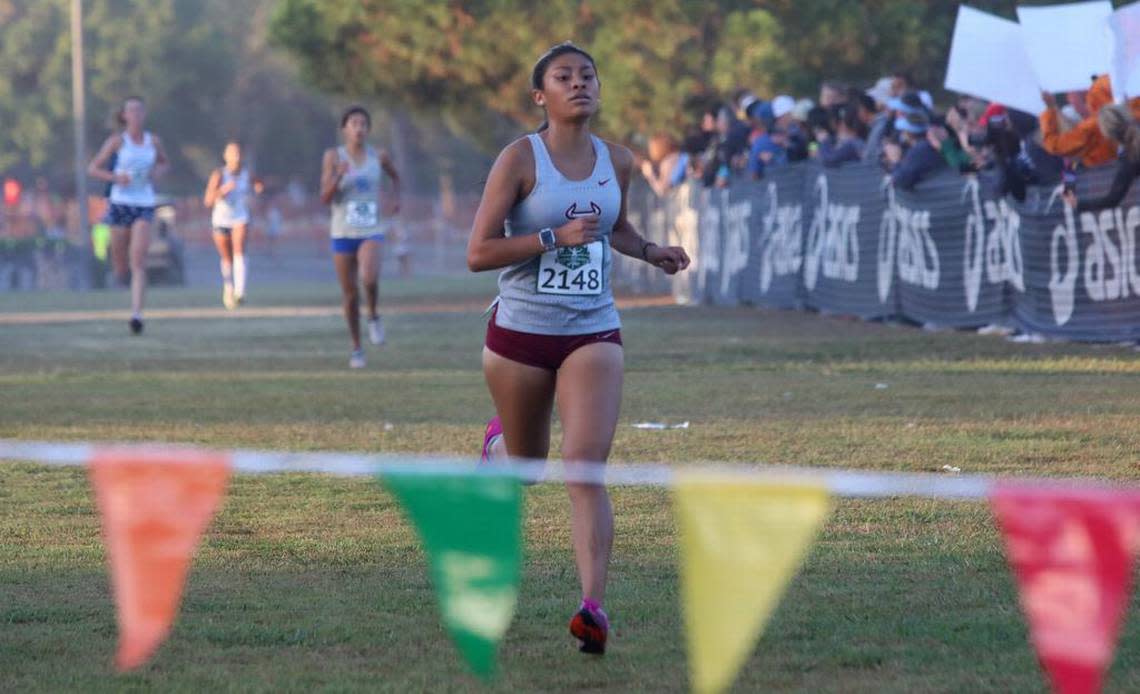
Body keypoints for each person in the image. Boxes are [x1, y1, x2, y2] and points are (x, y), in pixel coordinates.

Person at [466, 42, 689, 656]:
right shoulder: (519, 159)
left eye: (587, 75)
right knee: (531, 462)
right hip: (519, 335)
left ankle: (592, 607)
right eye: (563, 77)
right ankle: (501, 446)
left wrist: (650, 251)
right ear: (541, 96)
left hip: (593, 328)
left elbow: (613, 227)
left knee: (585, 466)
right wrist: (550, 237)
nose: (579, 84)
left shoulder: (615, 160)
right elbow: (478, 253)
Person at [319, 105, 401, 368]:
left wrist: (395, 198)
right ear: (344, 129)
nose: (359, 128)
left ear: (368, 130)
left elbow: (395, 177)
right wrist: (337, 176)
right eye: (353, 123)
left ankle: (374, 315)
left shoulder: (379, 155)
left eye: (363, 124)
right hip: (342, 231)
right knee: (350, 294)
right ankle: (356, 348)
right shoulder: (333, 156)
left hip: (370, 230)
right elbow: (325, 198)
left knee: (369, 276)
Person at [87, 96, 170, 334]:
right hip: (120, 203)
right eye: (131, 111)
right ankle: (121, 276)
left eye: (140, 110)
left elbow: (165, 163)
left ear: (144, 115)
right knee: (121, 264)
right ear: (124, 116)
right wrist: (116, 178)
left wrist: (157, 173)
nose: (136, 115)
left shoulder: (153, 141)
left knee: (138, 261)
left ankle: (136, 314)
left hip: (143, 203)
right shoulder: (116, 142)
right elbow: (93, 168)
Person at [203, 141, 263, 309]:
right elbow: (208, 201)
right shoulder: (219, 175)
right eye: (232, 153)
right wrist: (222, 191)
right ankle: (228, 287)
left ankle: (240, 291)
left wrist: (258, 190)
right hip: (221, 219)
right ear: (226, 156)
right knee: (226, 258)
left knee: (239, 251)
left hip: (240, 217)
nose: (236, 157)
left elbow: (258, 184)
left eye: (238, 153)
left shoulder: (246, 173)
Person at [1064, 104, 1140, 211]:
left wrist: (1078, 204)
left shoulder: (1130, 158)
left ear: (1105, 133)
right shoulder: (1129, 154)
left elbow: (1112, 200)